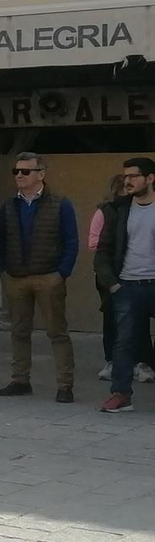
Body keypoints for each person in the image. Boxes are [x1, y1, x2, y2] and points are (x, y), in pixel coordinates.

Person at [0, 151, 79, 402]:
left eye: (25, 171)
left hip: (48, 276)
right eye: (16, 171)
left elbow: (70, 241)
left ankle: (65, 384)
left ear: (41, 174)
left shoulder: (60, 203)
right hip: (16, 276)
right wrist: (4, 269)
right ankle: (20, 380)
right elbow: (1, 240)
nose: (19, 175)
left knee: (57, 333)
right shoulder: (9, 204)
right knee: (19, 331)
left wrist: (61, 273)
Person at [95, 156, 155, 415]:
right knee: (124, 343)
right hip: (127, 286)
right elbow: (103, 251)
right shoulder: (118, 210)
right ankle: (120, 395)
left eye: (133, 176)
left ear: (150, 179)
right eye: (125, 177)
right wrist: (113, 284)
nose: (127, 181)